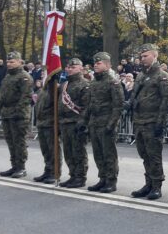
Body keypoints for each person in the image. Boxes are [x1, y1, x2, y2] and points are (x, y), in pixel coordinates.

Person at [127, 44, 168, 200]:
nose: (142, 59)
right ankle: (148, 183)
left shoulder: (162, 76)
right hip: (140, 122)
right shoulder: (140, 76)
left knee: (154, 155)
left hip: (153, 122)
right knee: (144, 154)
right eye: (141, 56)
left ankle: (156, 185)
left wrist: (161, 124)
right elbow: (135, 95)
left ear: (155, 56)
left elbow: (166, 101)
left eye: (146, 56)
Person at [85, 52, 124, 193]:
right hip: (94, 123)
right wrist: (85, 122)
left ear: (107, 65)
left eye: (99, 63)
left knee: (109, 154)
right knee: (98, 153)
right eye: (95, 63)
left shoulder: (112, 82)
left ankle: (111, 181)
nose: (95, 65)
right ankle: (102, 178)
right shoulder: (94, 82)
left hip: (106, 122)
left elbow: (118, 105)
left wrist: (111, 124)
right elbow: (89, 104)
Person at [0, 52, 33, 178]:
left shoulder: (24, 77)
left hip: (19, 114)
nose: (9, 64)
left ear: (19, 62)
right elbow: (3, 95)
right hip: (7, 113)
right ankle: (14, 166)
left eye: (12, 62)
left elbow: (25, 97)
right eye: (8, 62)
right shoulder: (8, 77)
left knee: (19, 142)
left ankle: (21, 167)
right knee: (10, 141)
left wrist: (18, 111)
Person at [58, 58, 90, 188]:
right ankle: (72, 175)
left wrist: (83, 122)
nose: (69, 69)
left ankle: (80, 177)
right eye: (68, 67)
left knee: (78, 151)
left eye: (73, 67)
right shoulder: (64, 85)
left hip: (76, 123)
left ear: (81, 68)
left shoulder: (85, 84)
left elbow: (87, 106)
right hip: (65, 122)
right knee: (68, 151)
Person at [33, 76, 61, 184]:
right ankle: (48, 170)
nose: (44, 77)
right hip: (41, 123)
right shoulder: (42, 91)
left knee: (53, 149)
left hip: (50, 123)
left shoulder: (54, 89)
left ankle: (55, 173)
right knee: (45, 150)